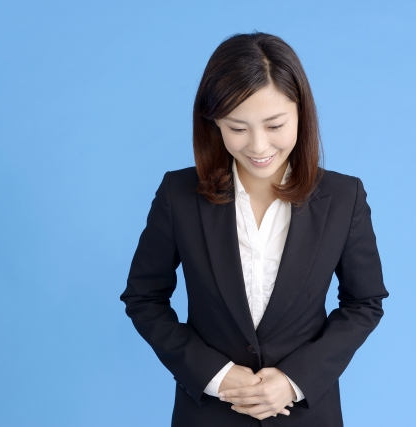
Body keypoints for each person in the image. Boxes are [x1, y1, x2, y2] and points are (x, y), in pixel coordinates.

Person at [120, 31, 389, 427]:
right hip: (208, 415)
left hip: (306, 415)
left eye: (275, 125)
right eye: (238, 128)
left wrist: (295, 380)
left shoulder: (344, 197)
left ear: (301, 113)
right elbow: (144, 298)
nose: (259, 147)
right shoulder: (179, 195)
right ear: (214, 122)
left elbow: (364, 303)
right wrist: (215, 375)